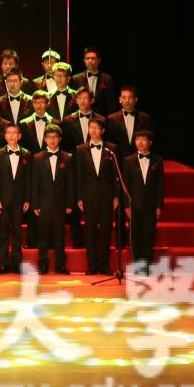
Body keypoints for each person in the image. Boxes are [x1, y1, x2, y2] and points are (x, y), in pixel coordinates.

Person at [75, 118, 119, 276]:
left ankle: (104, 264)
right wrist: (79, 197)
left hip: (107, 195)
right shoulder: (81, 149)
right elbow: (78, 175)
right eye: (91, 127)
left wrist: (116, 196)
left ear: (103, 131)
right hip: (88, 196)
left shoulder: (111, 149)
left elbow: (116, 175)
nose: (93, 130)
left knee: (106, 230)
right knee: (90, 230)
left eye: (96, 128)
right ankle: (92, 265)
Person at [31, 125, 73, 274]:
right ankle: (43, 264)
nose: (52, 140)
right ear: (45, 139)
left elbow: (70, 183)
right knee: (42, 235)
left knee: (59, 235)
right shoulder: (37, 158)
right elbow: (34, 183)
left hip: (60, 203)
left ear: (60, 139)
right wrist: (35, 204)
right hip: (43, 203)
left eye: (55, 137)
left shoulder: (68, 157)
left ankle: (61, 264)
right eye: (49, 137)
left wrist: (69, 203)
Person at [0, 124, 32, 274]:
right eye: (8, 133)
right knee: (2, 232)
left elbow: (29, 179)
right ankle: (3, 264)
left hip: (19, 200)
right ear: (4, 135)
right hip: (2, 200)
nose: (11, 135)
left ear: (19, 136)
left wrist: (27, 199)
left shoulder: (27, 154)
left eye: (14, 133)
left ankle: (16, 264)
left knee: (17, 233)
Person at [122, 130, 163, 274]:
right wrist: (126, 206)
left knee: (149, 236)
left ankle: (147, 267)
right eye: (137, 139)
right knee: (135, 237)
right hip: (134, 205)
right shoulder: (128, 160)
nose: (140, 142)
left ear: (150, 142)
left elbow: (160, 185)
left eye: (143, 139)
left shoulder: (158, 161)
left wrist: (159, 206)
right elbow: (125, 185)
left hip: (151, 205)